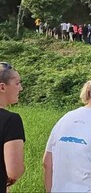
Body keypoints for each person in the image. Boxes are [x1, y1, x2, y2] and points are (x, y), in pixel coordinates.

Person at [0, 62, 25, 192]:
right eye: (17, 83)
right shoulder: (11, 120)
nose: (20, 88)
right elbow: (14, 171)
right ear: (2, 87)